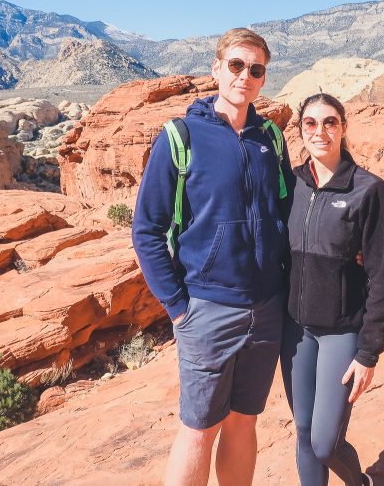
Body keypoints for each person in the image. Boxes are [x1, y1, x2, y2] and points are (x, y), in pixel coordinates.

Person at [132, 27, 293, 486]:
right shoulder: (180, 136)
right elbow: (147, 229)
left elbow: (287, 211)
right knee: (199, 429)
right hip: (206, 310)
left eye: (256, 69)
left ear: (263, 79)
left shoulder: (269, 139)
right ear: (217, 69)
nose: (246, 76)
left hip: (265, 308)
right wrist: (179, 308)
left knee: (244, 420)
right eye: (237, 65)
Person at [281, 93, 384, 486]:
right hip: (295, 330)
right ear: (300, 130)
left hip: (342, 331)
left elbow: (382, 276)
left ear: (343, 127)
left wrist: (369, 352)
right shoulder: (291, 184)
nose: (320, 131)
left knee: (325, 442)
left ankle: (358, 482)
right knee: (302, 431)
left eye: (330, 122)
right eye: (310, 123)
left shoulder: (367, 190)